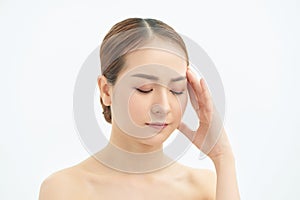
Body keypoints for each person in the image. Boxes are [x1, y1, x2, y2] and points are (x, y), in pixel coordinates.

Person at [39, 17, 240, 200]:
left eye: (176, 90)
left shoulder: (208, 187)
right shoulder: (64, 190)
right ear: (106, 91)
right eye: (145, 89)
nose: (163, 106)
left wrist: (223, 157)